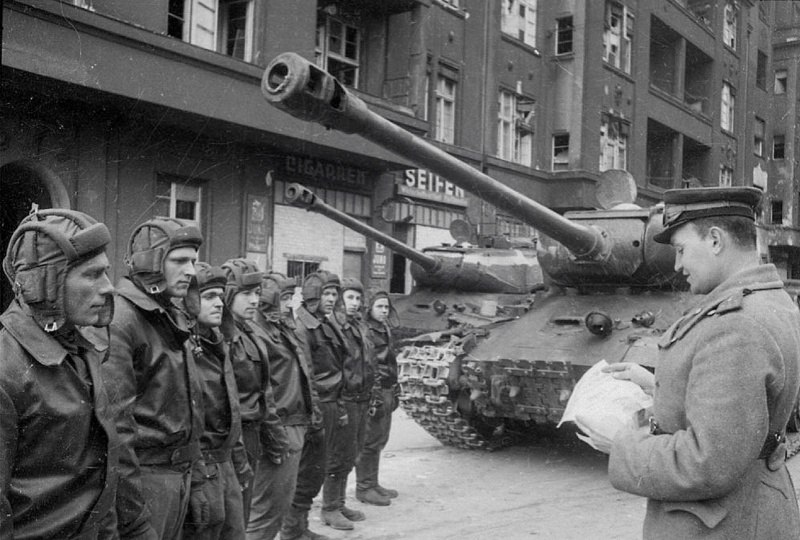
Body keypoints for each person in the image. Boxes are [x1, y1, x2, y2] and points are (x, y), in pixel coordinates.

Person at [582, 187, 800, 538]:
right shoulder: (766, 301)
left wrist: (621, 445)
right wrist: (657, 385)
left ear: (715, 240)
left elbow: (707, 462)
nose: (677, 265)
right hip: (748, 511)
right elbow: (744, 409)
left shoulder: (736, 324)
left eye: (681, 249)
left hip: (723, 525)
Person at [0, 209, 154, 539]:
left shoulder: (82, 350)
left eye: (106, 273)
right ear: (45, 283)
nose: (109, 288)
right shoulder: (6, 370)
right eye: (92, 275)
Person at [101, 217, 208, 539]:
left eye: (193, 261)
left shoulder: (171, 314)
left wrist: (196, 479)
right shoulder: (121, 319)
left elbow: (190, 405)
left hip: (177, 476)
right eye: (179, 261)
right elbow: (116, 431)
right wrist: (133, 517)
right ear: (151, 263)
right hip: (145, 481)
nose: (190, 271)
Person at [186, 262, 253, 539]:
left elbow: (230, 409)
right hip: (200, 469)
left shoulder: (218, 343)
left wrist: (240, 463)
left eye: (221, 297)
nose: (218, 304)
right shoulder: (183, 348)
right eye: (209, 296)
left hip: (224, 464)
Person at [247, 272, 316, 540]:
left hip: (293, 422)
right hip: (279, 427)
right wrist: (276, 434)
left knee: (277, 507)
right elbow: (261, 391)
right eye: (285, 298)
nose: (290, 305)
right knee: (265, 512)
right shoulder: (259, 333)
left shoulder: (281, 329)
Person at [221, 258, 288, 526]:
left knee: (245, 511)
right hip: (233, 441)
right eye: (246, 294)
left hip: (251, 435)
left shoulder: (248, 331)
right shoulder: (222, 338)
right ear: (229, 295)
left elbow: (263, 391)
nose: (254, 300)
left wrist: (275, 436)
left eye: (257, 293)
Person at [291, 270, 352, 533]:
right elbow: (306, 375)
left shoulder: (325, 322)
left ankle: (301, 527)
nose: (331, 299)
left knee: (323, 467)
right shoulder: (303, 327)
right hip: (318, 405)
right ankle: (293, 530)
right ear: (313, 295)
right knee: (307, 473)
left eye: (334, 293)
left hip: (332, 402)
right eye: (326, 293)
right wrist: (315, 414)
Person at [319, 277, 375, 527]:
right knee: (338, 455)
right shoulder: (334, 327)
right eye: (349, 297)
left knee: (352, 454)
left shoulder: (358, 326)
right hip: (345, 399)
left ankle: (339, 503)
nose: (354, 302)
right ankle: (330, 507)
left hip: (361, 398)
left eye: (358, 298)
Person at [356, 290, 400, 506]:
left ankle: (373, 483)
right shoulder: (366, 330)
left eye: (386, 307)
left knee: (380, 438)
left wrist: (396, 387)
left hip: (387, 388)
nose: (384, 311)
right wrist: (375, 394)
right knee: (370, 440)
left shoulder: (384, 328)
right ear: (370, 309)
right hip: (376, 390)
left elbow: (390, 360)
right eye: (379, 307)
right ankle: (364, 487)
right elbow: (369, 363)